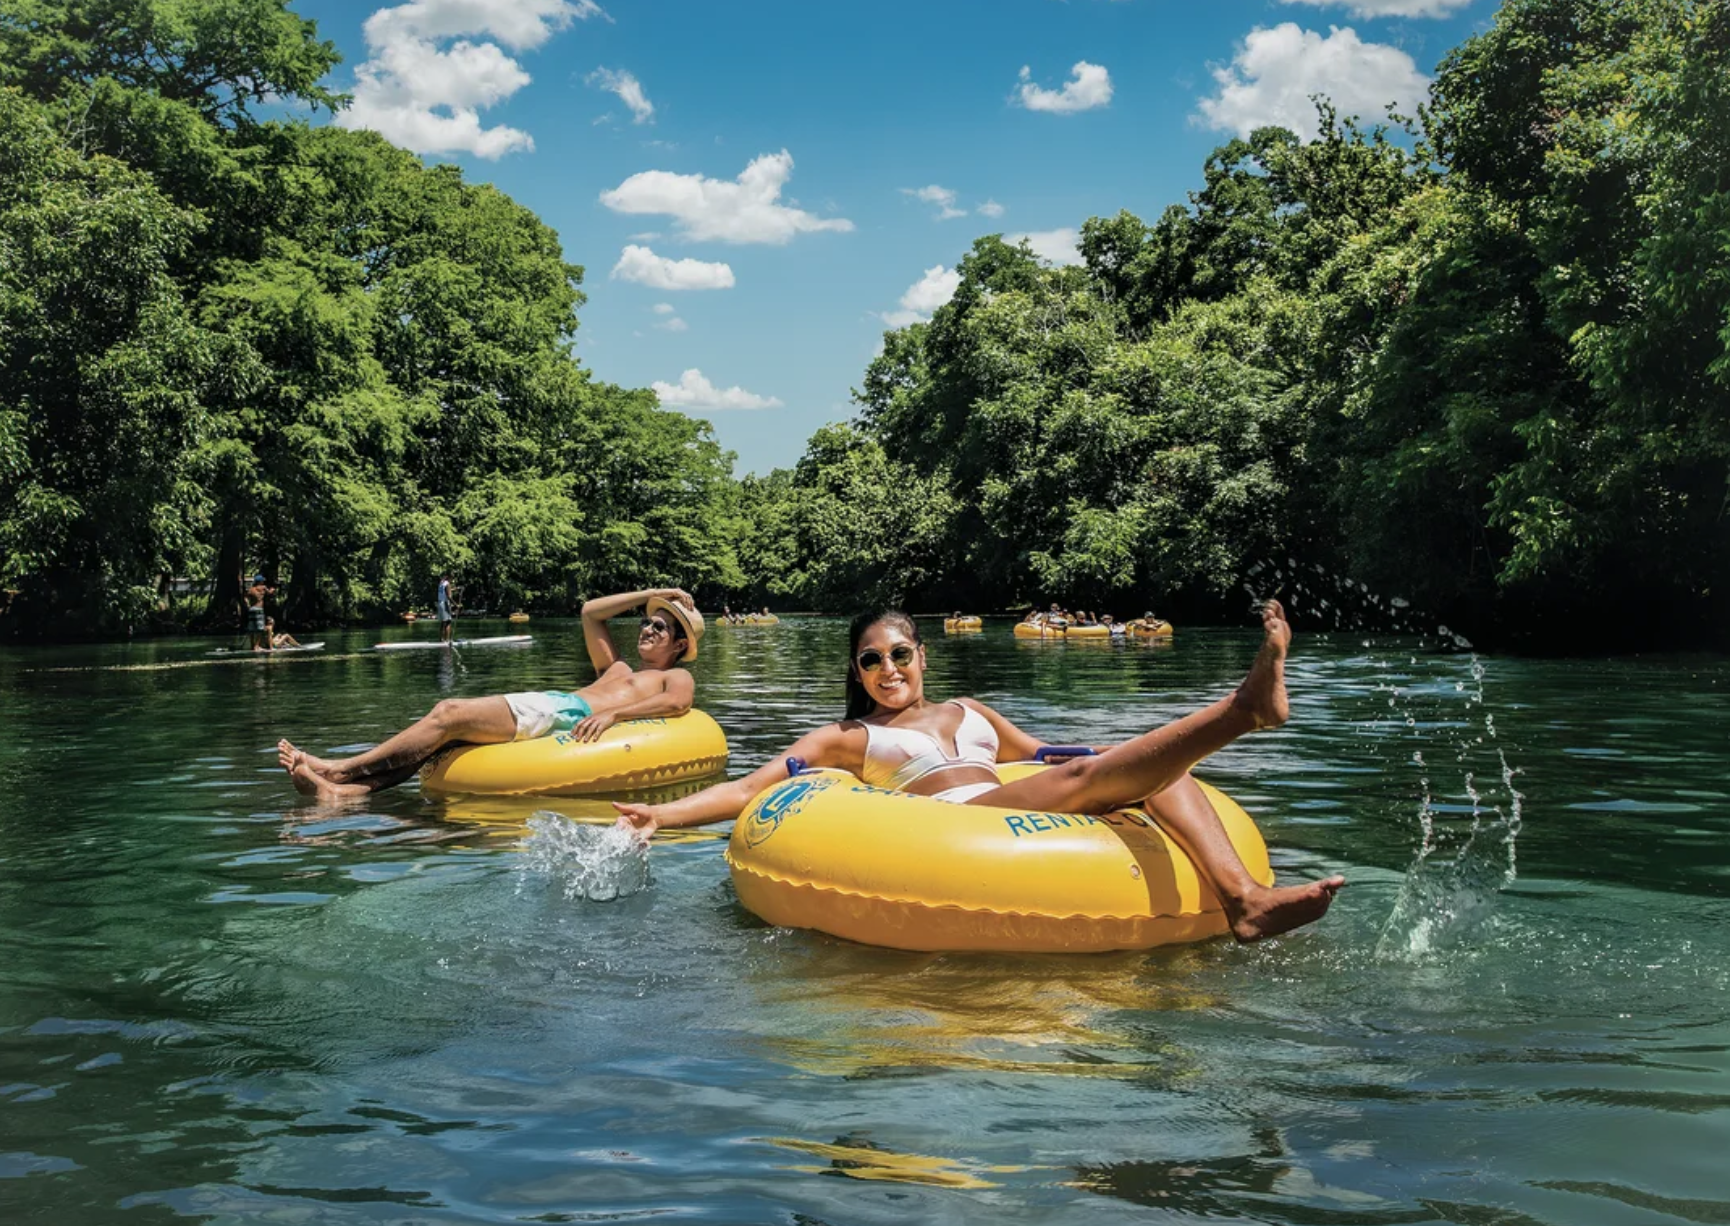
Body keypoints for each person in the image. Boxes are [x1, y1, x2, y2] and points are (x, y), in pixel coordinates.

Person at [617, 600, 1343, 942]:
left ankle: (1244, 898)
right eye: (872, 660)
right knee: (1103, 775)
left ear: (922, 658)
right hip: (956, 827)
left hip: (1021, 801)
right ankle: (1243, 711)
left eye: (901, 654)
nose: (889, 669)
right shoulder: (850, 736)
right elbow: (749, 790)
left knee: (1156, 771)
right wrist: (660, 815)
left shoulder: (971, 711)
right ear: (857, 672)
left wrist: (1097, 753)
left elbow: (1040, 756)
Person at [277, 588, 705, 802]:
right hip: (551, 704)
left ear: (680, 645)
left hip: (561, 713)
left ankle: (337, 769)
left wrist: (616, 716)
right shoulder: (617, 668)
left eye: (660, 627)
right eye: (648, 623)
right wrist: (651, 595)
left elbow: (678, 703)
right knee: (442, 742)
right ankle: (347, 795)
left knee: (448, 712)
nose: (647, 629)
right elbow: (590, 612)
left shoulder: (672, 677)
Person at [244, 574, 273, 651]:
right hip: (259, 609)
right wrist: (272, 590)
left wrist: (248, 606)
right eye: (262, 580)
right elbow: (269, 593)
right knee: (260, 629)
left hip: (251, 609)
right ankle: (257, 646)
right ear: (260, 581)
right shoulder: (263, 588)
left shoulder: (251, 589)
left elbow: (245, 598)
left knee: (252, 628)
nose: (263, 581)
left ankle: (252, 646)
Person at [436, 573, 454, 644]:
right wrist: (456, 605)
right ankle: (447, 640)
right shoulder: (447, 584)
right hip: (445, 604)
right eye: (452, 579)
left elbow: (445, 591)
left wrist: (455, 589)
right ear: (449, 577)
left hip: (440, 603)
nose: (452, 580)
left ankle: (441, 639)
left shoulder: (441, 583)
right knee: (448, 622)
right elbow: (449, 596)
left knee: (443, 622)